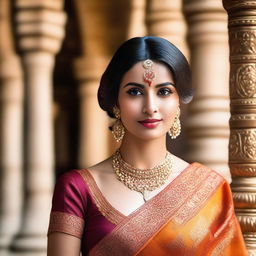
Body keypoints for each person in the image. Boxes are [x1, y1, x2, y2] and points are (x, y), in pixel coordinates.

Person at [47, 36, 247, 256]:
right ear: (115, 102)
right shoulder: (76, 188)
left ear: (178, 100)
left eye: (164, 92)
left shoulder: (210, 189)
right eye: (135, 92)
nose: (150, 107)